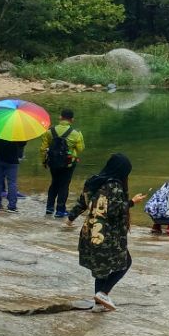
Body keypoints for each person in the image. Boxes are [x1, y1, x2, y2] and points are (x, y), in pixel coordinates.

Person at [66, 153, 147, 311]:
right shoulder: (114, 186)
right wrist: (132, 202)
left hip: (90, 232)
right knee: (125, 262)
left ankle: (98, 304)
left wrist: (70, 219)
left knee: (101, 270)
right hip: (106, 235)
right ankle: (103, 293)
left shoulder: (94, 181)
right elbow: (114, 210)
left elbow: (82, 202)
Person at [39, 107, 85, 218]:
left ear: (60, 117)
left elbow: (42, 149)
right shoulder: (76, 134)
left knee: (54, 183)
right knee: (64, 185)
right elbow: (80, 149)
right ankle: (60, 210)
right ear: (72, 120)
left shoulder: (50, 132)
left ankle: (49, 208)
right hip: (68, 164)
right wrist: (80, 137)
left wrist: (44, 162)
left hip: (53, 163)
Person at [0, 133, 26, 213]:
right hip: (12, 160)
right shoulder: (17, 131)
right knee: (12, 183)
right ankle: (12, 207)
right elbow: (22, 144)